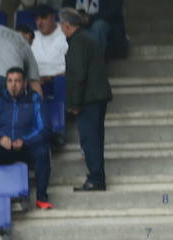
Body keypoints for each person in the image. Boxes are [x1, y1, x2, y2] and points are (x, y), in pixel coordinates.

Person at [0, 67, 51, 209]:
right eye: (10, 81)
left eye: (17, 81)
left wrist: (25, 141)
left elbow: (45, 129)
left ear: (24, 83)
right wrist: (0, 140)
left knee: (43, 153)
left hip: (26, 148)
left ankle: (41, 198)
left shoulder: (34, 100)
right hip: (3, 148)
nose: (13, 85)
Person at [60, 8, 110, 193]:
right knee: (95, 139)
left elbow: (78, 76)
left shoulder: (78, 42)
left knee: (90, 140)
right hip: (96, 97)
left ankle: (95, 179)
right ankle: (97, 177)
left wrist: (75, 104)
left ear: (67, 25)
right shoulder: (86, 38)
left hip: (89, 100)